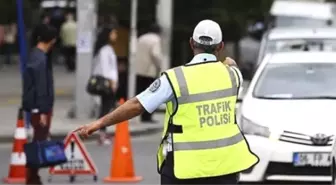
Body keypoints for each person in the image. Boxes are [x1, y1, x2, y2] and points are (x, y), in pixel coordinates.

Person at [74, 19, 259, 185]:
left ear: (191, 43)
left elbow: (137, 105)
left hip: (184, 169)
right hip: (225, 167)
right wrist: (228, 62)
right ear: (221, 46)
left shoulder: (174, 78)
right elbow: (232, 64)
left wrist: (99, 123)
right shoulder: (233, 75)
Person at [22, 24, 57, 185]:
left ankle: (33, 177)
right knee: (38, 143)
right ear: (52, 40)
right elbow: (41, 87)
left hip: (36, 107)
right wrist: (42, 111)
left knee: (38, 141)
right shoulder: (40, 59)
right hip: (40, 109)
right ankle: (32, 178)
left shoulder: (35, 55)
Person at [91, 24, 119, 145]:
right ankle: (101, 134)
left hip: (109, 82)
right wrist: (111, 82)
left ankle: (103, 132)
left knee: (106, 107)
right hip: (107, 83)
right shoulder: (105, 50)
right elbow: (105, 68)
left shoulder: (107, 48)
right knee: (105, 109)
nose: (115, 35)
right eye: (113, 33)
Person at [135, 23, 163, 123]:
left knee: (141, 94)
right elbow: (155, 54)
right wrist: (159, 65)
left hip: (138, 70)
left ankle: (141, 115)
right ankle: (147, 117)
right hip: (149, 71)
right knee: (151, 94)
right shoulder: (156, 39)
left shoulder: (141, 38)